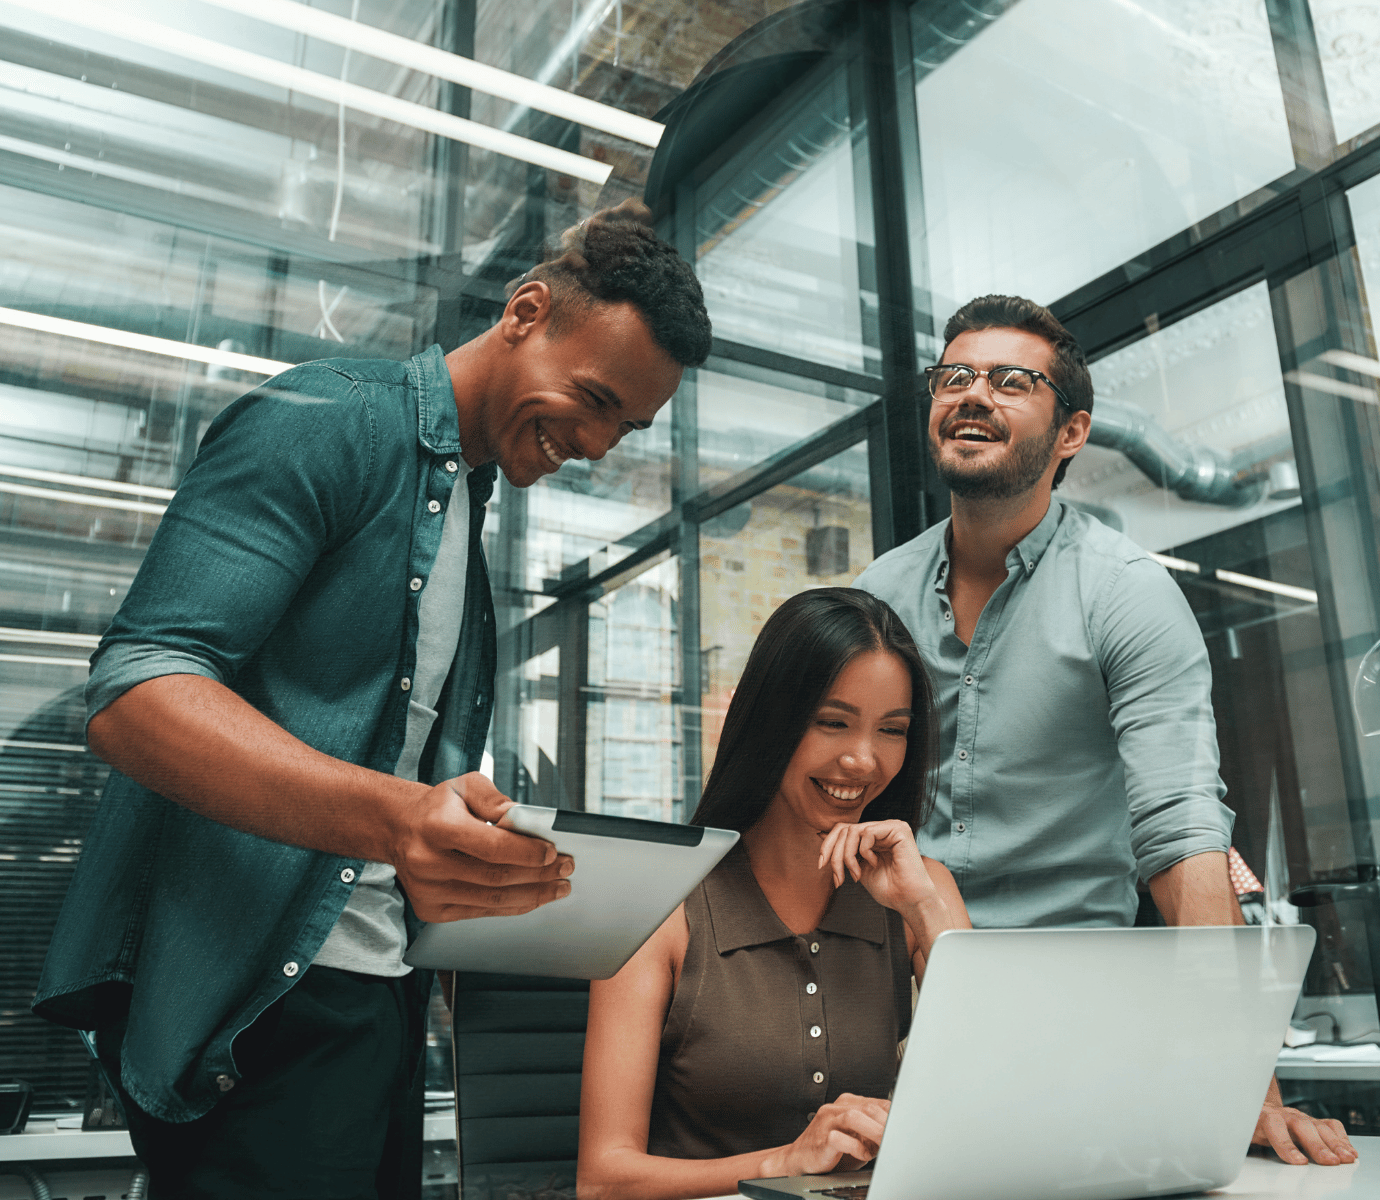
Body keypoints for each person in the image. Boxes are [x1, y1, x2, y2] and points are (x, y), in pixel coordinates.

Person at [32, 200, 712, 1200]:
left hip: (373, 997)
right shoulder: (331, 420)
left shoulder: (461, 514)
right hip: (259, 1010)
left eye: (629, 425)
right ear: (526, 311)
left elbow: (388, 778)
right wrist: (403, 822)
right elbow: (136, 691)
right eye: (595, 398)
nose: (603, 444)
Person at [854, 293, 1356, 1167]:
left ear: (1073, 433)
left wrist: (1242, 1078)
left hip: (1071, 1017)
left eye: (1013, 381)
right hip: (889, 1007)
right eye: (957, 376)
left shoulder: (1125, 591)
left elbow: (1182, 836)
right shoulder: (878, 595)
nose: (974, 394)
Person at [577, 588, 971, 1200]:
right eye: (832, 722)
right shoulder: (659, 905)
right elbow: (603, 1181)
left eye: (891, 731)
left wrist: (923, 908)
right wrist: (784, 1162)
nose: (862, 760)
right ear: (771, 719)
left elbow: (997, 1097)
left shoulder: (922, 887)